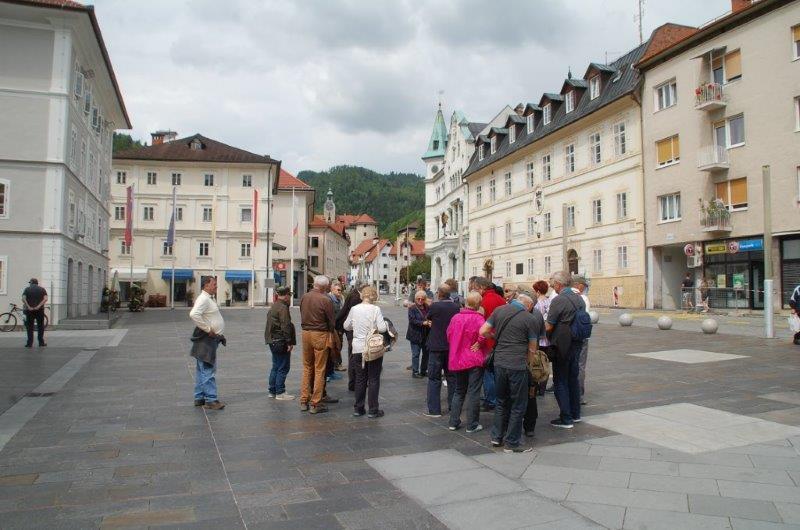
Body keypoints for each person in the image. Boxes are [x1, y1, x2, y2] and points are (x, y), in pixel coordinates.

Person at [480, 293, 542, 453]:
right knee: (518, 404)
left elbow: (483, 330)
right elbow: (532, 347)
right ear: (529, 305)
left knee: (501, 401)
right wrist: (529, 363)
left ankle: (496, 437)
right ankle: (512, 442)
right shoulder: (530, 319)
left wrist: (494, 336)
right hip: (517, 364)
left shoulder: (499, 310)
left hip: (499, 362)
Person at [546, 271, 585, 428]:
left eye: (553, 284)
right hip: (577, 342)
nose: (552, 286)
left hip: (562, 344)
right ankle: (576, 414)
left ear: (558, 284)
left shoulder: (559, 300)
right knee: (573, 379)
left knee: (560, 380)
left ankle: (566, 418)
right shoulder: (579, 298)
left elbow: (549, 325)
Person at [446, 291, 487, 433]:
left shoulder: (455, 318)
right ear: (478, 304)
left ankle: (453, 421)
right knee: (474, 392)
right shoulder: (479, 318)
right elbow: (484, 333)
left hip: (458, 358)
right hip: (473, 358)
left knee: (459, 390)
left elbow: (449, 335)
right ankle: (472, 424)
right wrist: (479, 343)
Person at [343, 286, 388, 418]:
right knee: (373, 378)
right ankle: (373, 409)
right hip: (372, 346)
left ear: (362, 296)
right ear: (374, 296)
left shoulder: (354, 309)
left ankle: (358, 408)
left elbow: (346, 326)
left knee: (360, 378)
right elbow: (382, 328)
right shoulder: (375, 309)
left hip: (358, 347)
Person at [299, 275, 337, 414]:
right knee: (319, 368)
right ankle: (315, 403)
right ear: (325, 287)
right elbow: (331, 321)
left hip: (305, 333)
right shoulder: (325, 299)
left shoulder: (304, 297)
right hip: (320, 334)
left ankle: (304, 400)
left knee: (307, 367)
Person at [189, 276, 226, 410]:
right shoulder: (204, 299)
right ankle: (211, 399)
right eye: (214, 284)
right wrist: (208, 329)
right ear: (206, 285)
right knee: (208, 368)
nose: (216, 286)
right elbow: (194, 314)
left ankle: (199, 397)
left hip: (209, 339)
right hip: (206, 340)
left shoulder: (209, 298)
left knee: (201, 369)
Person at [424, 284, 460, 417]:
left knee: (434, 377)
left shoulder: (435, 306)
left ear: (439, 293)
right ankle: (453, 407)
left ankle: (434, 410)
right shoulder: (456, 307)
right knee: (452, 378)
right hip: (450, 345)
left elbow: (428, 317)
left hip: (436, 345)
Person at [475, 277, 506, 411]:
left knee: (488, 371)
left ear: (482, 288)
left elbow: (480, 323)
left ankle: (491, 400)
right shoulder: (501, 299)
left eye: (476, 288)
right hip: (500, 338)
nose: (476, 291)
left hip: (488, 339)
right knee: (497, 372)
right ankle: (499, 397)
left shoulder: (483, 301)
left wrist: (478, 341)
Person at [264, 286, 296, 400]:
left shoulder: (274, 305)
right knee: (283, 367)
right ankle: (280, 392)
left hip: (272, 340)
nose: (290, 297)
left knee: (276, 366)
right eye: (289, 295)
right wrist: (289, 342)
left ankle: (272, 390)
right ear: (286, 295)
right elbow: (285, 326)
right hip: (280, 341)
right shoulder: (283, 308)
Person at [337, 281, 363, 390]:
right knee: (353, 356)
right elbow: (351, 316)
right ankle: (353, 382)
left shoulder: (353, 294)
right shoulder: (356, 298)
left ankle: (354, 382)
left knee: (352, 355)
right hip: (353, 330)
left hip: (350, 329)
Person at [572, 275, 591, 406]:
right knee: (580, 365)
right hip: (582, 336)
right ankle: (578, 395)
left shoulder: (562, 296)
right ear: (578, 285)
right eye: (583, 286)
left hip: (568, 336)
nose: (584, 288)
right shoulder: (583, 298)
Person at [532, 280, 552, 398]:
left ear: (538, 291)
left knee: (536, 363)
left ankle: (535, 387)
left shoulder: (537, 304)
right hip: (548, 338)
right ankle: (542, 389)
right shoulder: (550, 302)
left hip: (538, 339)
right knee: (545, 363)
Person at [406, 291, 430, 378]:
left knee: (426, 354)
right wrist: (422, 323)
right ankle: (415, 372)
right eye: (418, 299)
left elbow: (430, 316)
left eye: (422, 299)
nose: (420, 300)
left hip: (425, 334)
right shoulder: (412, 308)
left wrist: (430, 322)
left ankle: (423, 370)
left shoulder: (427, 307)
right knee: (416, 354)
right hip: (415, 334)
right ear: (415, 299)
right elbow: (412, 320)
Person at [326, 282, 345, 380]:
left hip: (338, 328)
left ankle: (333, 368)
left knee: (337, 347)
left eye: (340, 290)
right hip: (333, 329)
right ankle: (330, 371)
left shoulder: (340, 299)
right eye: (338, 290)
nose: (340, 292)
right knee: (333, 349)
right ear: (332, 289)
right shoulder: (329, 300)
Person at [22, 278, 47, 348]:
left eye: (30, 283)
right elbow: (45, 299)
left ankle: (29, 343)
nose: (29, 284)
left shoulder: (27, 289)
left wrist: (28, 306)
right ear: (37, 283)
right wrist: (38, 306)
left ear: (31, 282)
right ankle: (41, 342)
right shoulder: (42, 289)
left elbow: (23, 299)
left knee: (29, 327)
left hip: (29, 311)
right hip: (40, 310)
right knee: (40, 326)